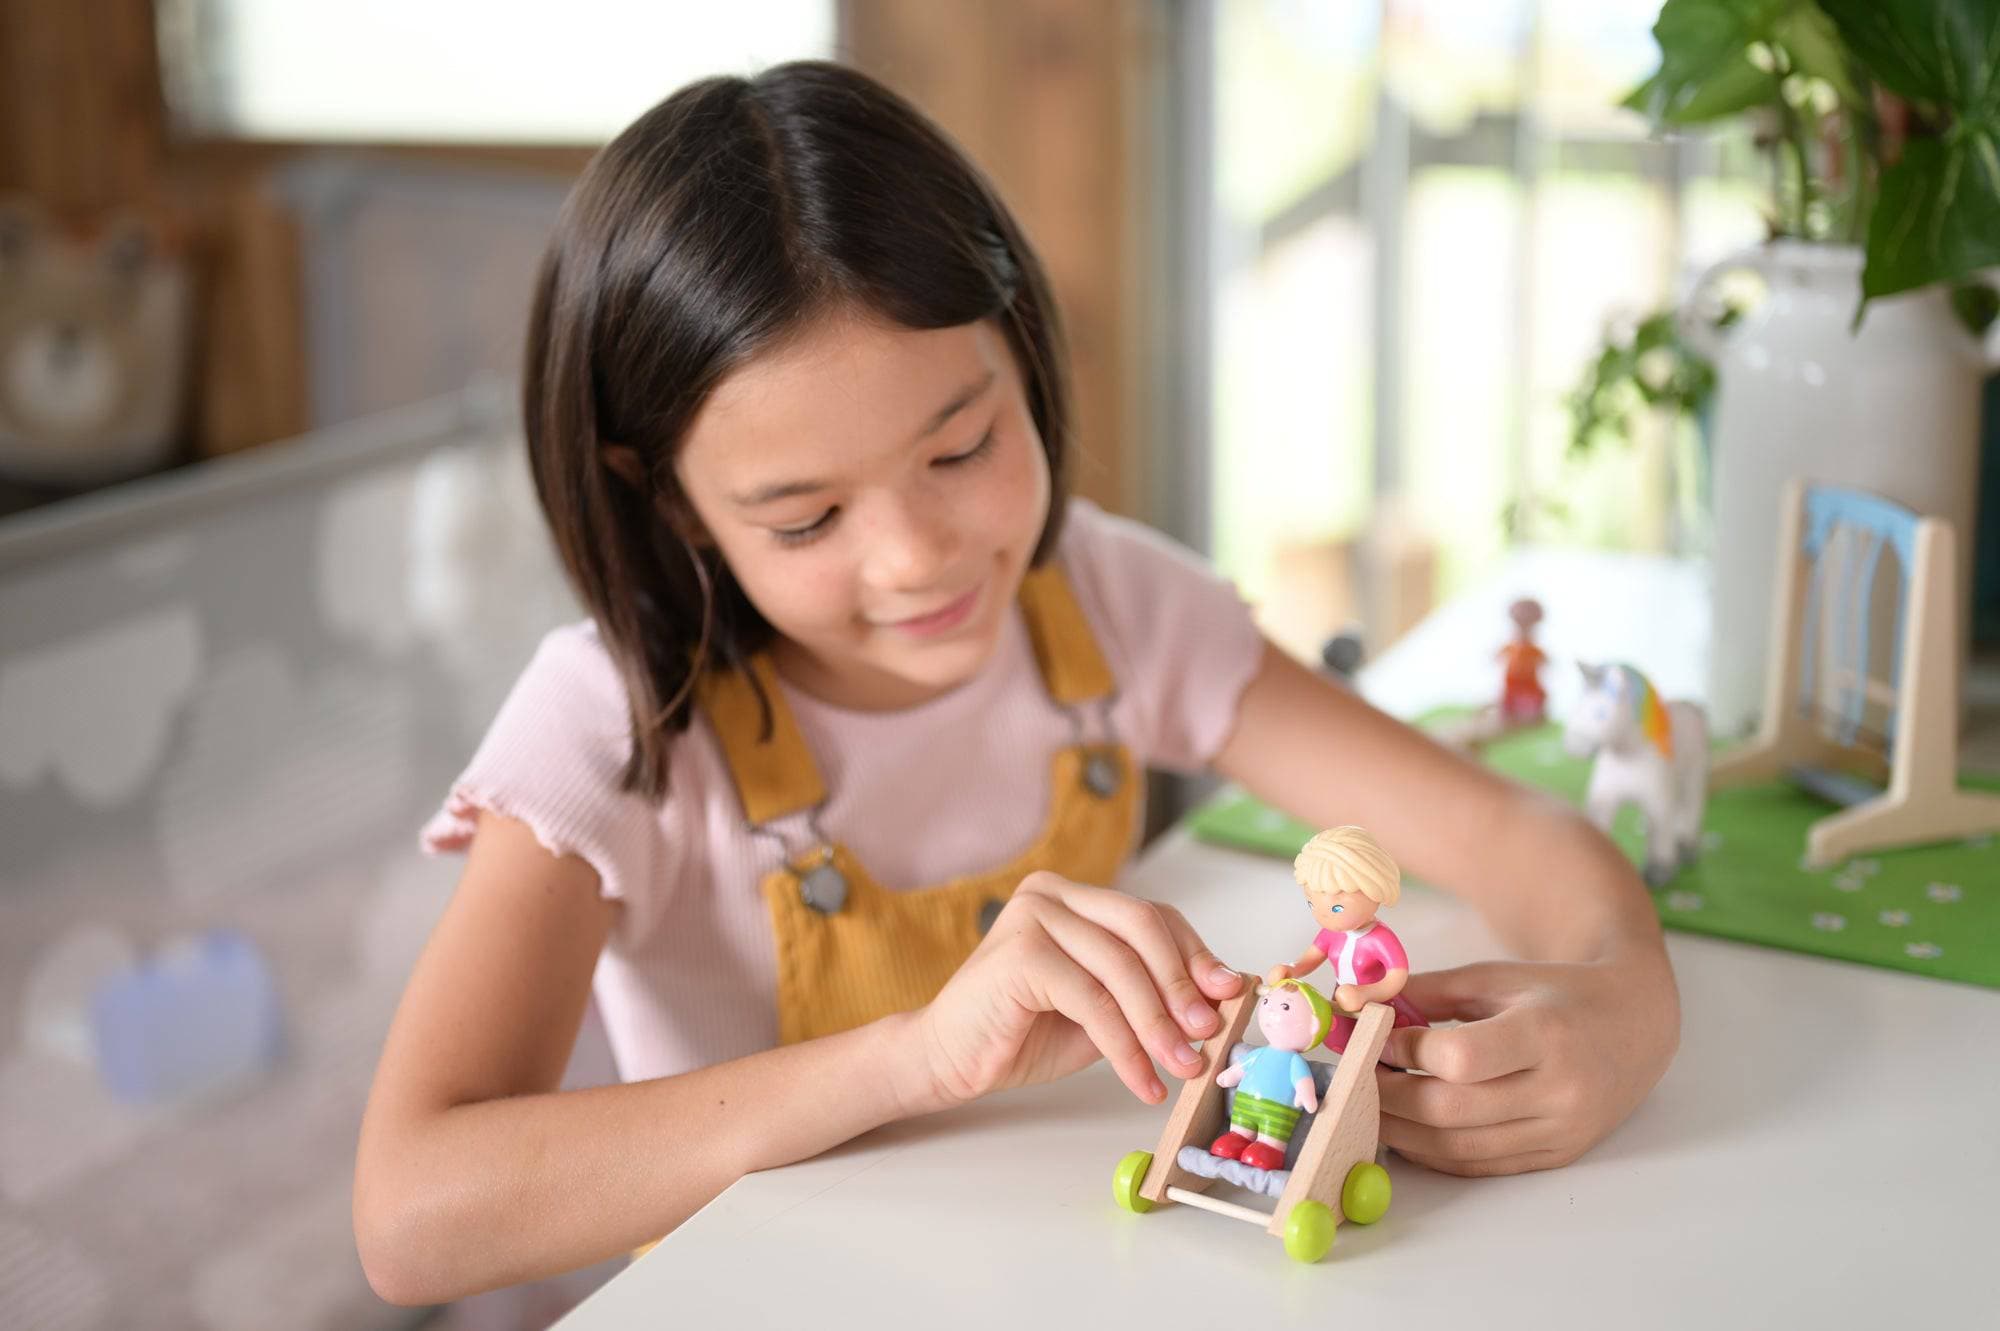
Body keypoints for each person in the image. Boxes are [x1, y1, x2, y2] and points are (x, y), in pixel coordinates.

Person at [352, 61, 1680, 1306]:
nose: (918, 556)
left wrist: (1628, 1001)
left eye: (963, 446)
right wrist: (919, 1054)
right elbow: (411, 1217)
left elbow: (1504, 831)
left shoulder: (1103, 604)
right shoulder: (613, 721)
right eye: (807, 519)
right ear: (674, 504)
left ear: (1024, 355)